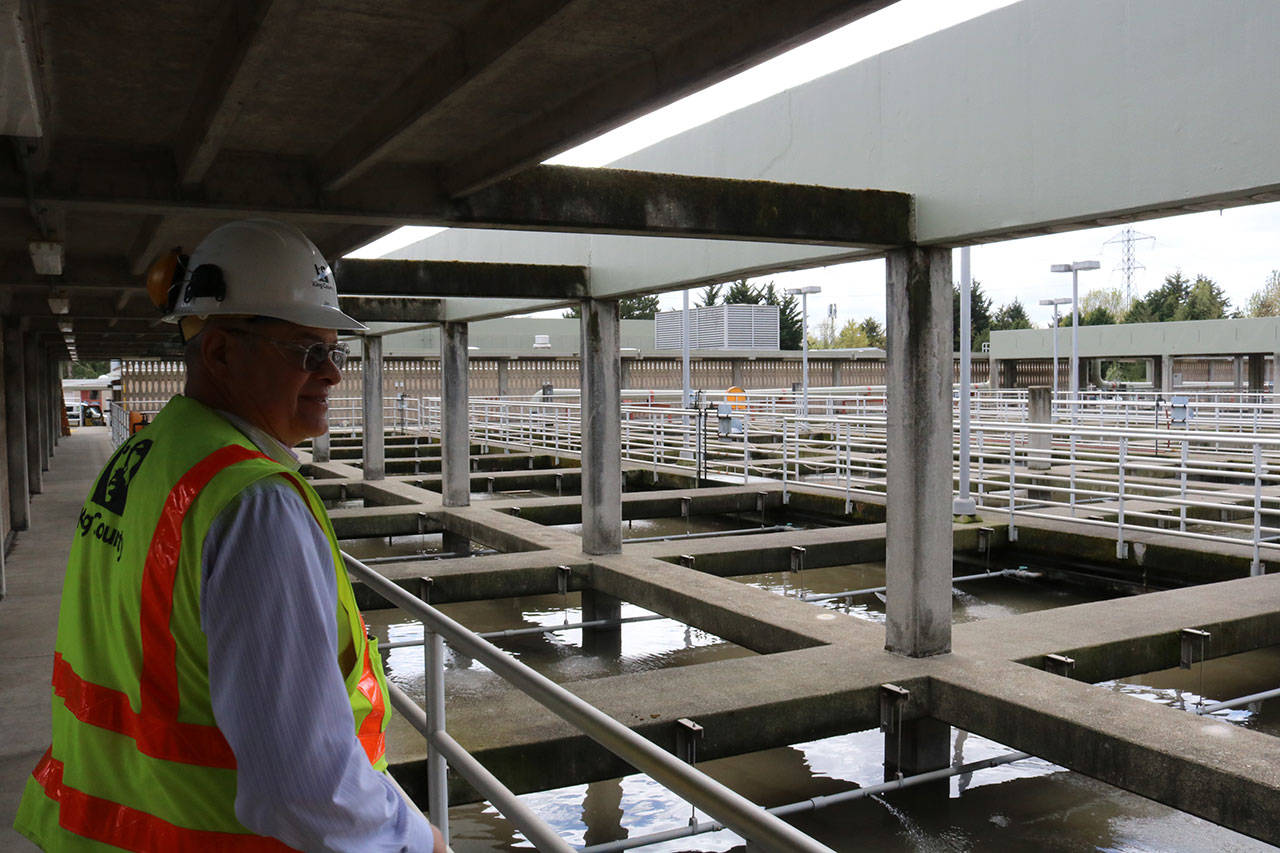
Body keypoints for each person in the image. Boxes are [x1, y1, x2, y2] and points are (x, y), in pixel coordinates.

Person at [15, 220, 444, 851]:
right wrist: (418, 842)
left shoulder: (145, 456)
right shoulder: (254, 504)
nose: (331, 375)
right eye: (306, 352)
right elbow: (303, 786)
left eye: (335, 351)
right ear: (219, 353)